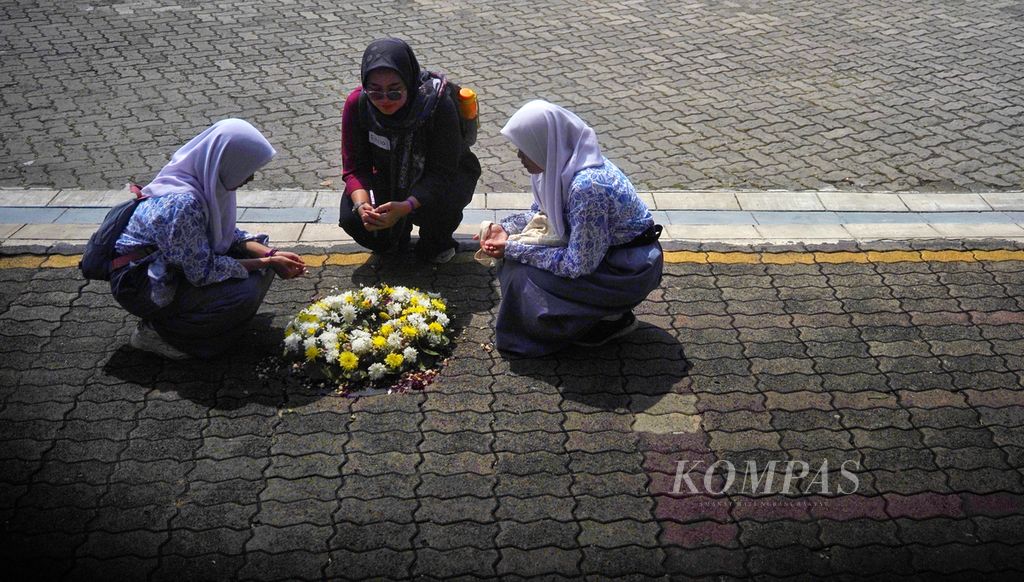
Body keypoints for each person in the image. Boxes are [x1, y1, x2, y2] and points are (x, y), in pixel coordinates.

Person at [477, 100, 663, 357]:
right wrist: (505, 228)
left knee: (522, 275)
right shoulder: (558, 164)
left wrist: (511, 248)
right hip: (608, 255)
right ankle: (598, 316)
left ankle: (602, 318)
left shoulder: (587, 187)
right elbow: (541, 213)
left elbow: (578, 265)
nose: (519, 156)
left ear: (546, 144)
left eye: (525, 149)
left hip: (628, 270)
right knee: (517, 262)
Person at [110, 118, 307, 360]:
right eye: (246, 168)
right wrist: (266, 263)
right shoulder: (183, 203)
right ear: (227, 162)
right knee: (243, 293)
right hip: (142, 283)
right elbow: (202, 271)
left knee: (260, 263)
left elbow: (226, 235)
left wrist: (270, 255)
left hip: (168, 268)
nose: (250, 178)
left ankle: (196, 321)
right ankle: (157, 333)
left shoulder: (205, 180)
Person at [338, 38, 481, 263]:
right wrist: (362, 205)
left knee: (437, 225)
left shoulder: (437, 105)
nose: (385, 100)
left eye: (395, 92)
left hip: (439, 179)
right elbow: (354, 166)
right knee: (354, 219)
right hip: (387, 176)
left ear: (409, 82)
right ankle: (392, 239)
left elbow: (443, 172)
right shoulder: (357, 104)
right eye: (375, 92)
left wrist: (407, 206)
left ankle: (437, 240)